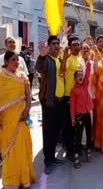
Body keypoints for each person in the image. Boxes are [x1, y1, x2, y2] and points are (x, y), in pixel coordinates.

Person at [0, 51, 36, 188]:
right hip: (7, 119)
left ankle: (25, 179)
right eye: (13, 59)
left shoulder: (22, 77)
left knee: (24, 145)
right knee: (10, 149)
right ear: (6, 62)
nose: (16, 62)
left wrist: (27, 111)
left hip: (22, 117)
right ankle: (11, 181)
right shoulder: (1, 77)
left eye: (17, 59)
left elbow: (28, 95)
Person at [36, 37, 65, 175]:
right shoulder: (46, 60)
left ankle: (53, 158)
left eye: (58, 44)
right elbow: (40, 68)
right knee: (48, 133)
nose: (57, 46)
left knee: (55, 132)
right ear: (48, 47)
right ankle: (48, 162)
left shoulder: (58, 60)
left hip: (59, 102)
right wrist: (41, 56)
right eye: (54, 44)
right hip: (49, 102)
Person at [61, 35, 83, 161]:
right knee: (70, 124)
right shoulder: (68, 58)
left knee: (78, 125)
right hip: (69, 95)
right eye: (74, 44)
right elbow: (63, 70)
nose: (76, 46)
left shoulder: (80, 58)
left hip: (79, 96)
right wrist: (64, 57)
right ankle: (69, 151)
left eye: (78, 44)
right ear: (70, 46)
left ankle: (77, 148)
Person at [70, 62, 93, 169]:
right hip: (79, 116)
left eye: (81, 75)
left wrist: (88, 64)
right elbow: (72, 106)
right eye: (78, 75)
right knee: (78, 136)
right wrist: (73, 118)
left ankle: (88, 150)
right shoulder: (74, 90)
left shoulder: (85, 85)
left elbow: (88, 75)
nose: (81, 76)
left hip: (87, 114)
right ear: (75, 78)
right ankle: (76, 156)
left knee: (89, 133)